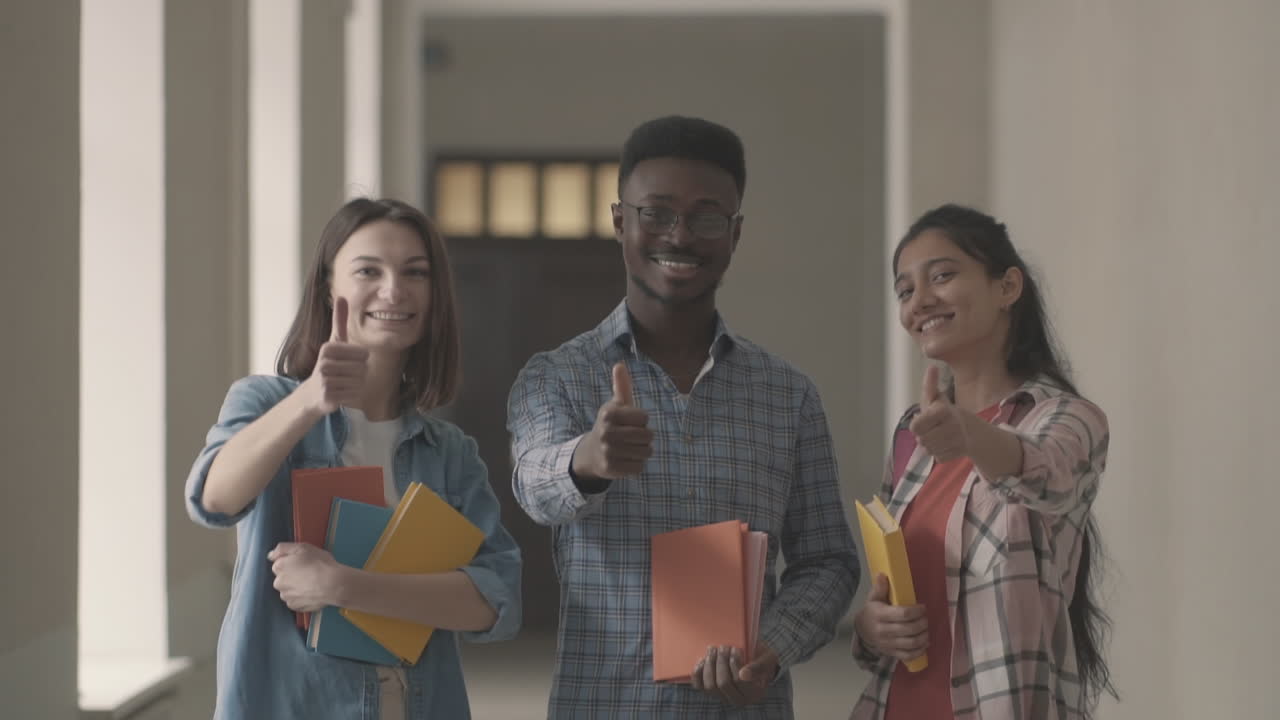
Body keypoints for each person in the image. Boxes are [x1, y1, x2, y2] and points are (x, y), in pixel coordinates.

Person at [506, 115, 859, 718]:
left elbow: (828, 561)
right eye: (658, 213)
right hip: (605, 706)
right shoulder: (556, 376)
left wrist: (769, 649)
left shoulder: (788, 395)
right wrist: (587, 460)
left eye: (706, 217)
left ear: (735, 232)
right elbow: (534, 485)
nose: (681, 235)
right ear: (621, 221)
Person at [185, 197, 521, 720]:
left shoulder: (449, 452)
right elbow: (213, 498)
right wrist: (308, 401)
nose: (394, 290)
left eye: (416, 272)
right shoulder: (264, 402)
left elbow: (495, 601)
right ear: (328, 285)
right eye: (368, 270)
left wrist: (344, 587)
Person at [849, 204, 1116, 719]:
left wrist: (970, 433)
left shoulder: (1071, 418)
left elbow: (1048, 476)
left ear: (1007, 287)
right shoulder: (913, 432)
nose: (920, 301)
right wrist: (870, 627)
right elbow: (895, 586)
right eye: (905, 291)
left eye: (942, 276)